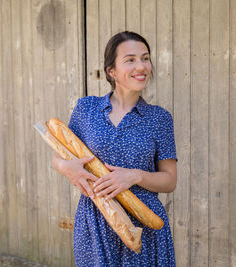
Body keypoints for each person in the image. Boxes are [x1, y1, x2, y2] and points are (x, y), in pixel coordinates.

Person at [52, 31, 177, 267]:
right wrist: (68, 168)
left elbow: (170, 181)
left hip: (144, 224)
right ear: (111, 71)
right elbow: (59, 157)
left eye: (145, 58)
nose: (141, 66)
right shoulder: (86, 109)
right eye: (130, 60)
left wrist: (135, 176)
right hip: (96, 219)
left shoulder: (159, 118)